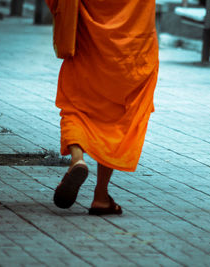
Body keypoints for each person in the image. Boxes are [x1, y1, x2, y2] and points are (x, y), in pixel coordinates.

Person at [52, 0, 159, 215]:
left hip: (87, 44)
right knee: (116, 118)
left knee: (75, 106)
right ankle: (100, 195)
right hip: (131, 55)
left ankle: (77, 159)